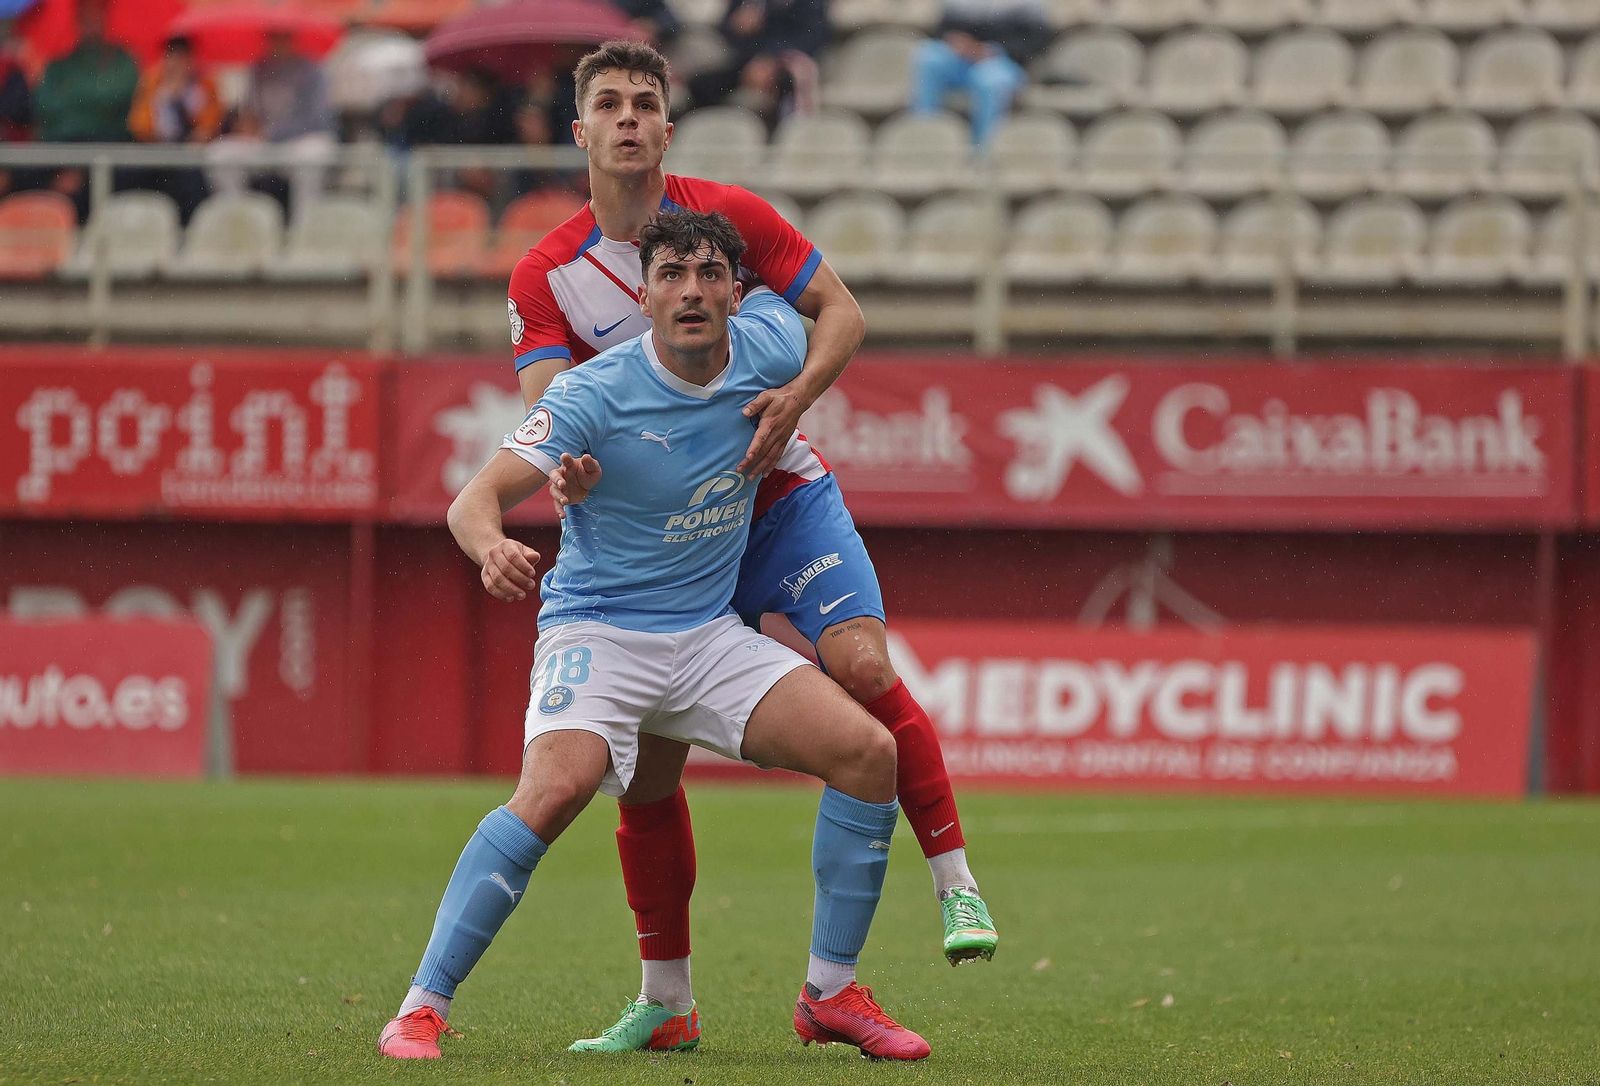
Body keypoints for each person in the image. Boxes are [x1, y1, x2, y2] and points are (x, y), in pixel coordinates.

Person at [507, 40, 998, 1054]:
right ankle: (666, 1000)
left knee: (862, 668)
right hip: (666, 546)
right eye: (611, 103)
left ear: (668, 126)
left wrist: (794, 402)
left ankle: (938, 896)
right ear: (583, 131)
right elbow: (548, 416)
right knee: (651, 776)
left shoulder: (732, 217)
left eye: (647, 101)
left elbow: (843, 312)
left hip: (780, 504)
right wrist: (571, 476)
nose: (631, 118)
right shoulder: (546, 272)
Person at [377, 210, 930, 1063]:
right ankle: (420, 1008)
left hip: (706, 637)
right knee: (558, 789)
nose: (692, 291)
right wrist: (492, 549)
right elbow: (472, 501)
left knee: (868, 753)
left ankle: (830, 993)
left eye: (710, 273)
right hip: (598, 631)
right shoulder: (593, 395)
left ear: (737, 295)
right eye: (671, 276)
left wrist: (802, 394)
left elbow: (837, 314)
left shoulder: (773, 346)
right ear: (645, 295)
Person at [205, 28, 335, 218]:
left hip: (299, 143)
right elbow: (250, 111)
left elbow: (318, 120)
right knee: (221, 154)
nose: (278, 43)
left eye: (283, 36)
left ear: (292, 38)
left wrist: (273, 133)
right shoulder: (258, 69)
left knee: (314, 156)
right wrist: (246, 125)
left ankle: (305, 225)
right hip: (264, 145)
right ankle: (239, 221)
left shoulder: (313, 71)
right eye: (273, 37)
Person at [30, 3, 138, 220]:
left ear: (105, 18)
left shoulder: (123, 60)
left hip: (110, 146)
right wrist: (95, 95)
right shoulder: (59, 65)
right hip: (61, 148)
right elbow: (45, 106)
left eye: (96, 15)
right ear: (77, 21)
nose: (92, 22)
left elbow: (119, 97)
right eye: (86, 16)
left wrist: (77, 98)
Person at [911, 0, 1052, 147]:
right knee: (928, 57)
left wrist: (989, 50)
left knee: (989, 80)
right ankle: (923, 140)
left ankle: (983, 152)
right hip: (961, 60)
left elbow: (1037, 40)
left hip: (1003, 61)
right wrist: (956, 42)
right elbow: (943, 30)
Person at [127, 36, 220, 220]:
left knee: (193, 181)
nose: (176, 64)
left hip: (189, 154)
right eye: (172, 56)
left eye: (182, 57)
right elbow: (138, 125)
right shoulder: (152, 83)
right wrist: (164, 100)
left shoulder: (203, 86)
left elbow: (210, 124)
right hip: (156, 152)